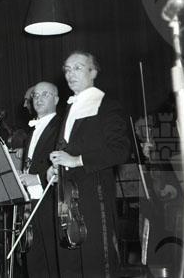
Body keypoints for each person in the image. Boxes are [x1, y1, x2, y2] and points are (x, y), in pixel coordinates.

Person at [48, 51, 130, 277]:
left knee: (97, 265)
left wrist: (76, 161)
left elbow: (120, 150)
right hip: (67, 199)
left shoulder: (107, 105)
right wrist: (56, 167)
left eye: (78, 68)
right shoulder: (69, 109)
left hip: (94, 194)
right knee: (69, 265)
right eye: (67, 69)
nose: (70, 74)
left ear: (93, 72)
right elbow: (68, 149)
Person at [18, 81, 61, 278]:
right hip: (31, 202)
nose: (39, 99)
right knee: (35, 260)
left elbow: (60, 161)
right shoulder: (31, 131)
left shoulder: (60, 126)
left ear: (56, 100)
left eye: (45, 94)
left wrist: (37, 178)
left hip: (50, 199)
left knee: (52, 260)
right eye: (36, 95)